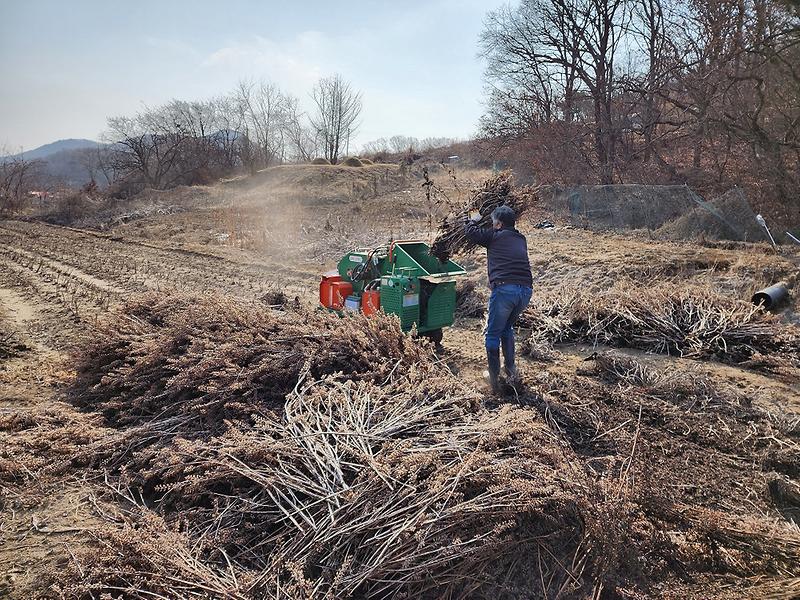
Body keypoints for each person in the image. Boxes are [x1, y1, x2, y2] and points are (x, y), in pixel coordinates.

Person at [464, 205, 533, 392]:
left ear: (499, 224)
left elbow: (471, 233)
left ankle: (493, 381)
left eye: (494, 222)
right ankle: (511, 371)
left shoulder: (494, 235)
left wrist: (473, 219)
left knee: (492, 333)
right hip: (525, 291)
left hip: (505, 290)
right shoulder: (521, 238)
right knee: (506, 328)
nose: (493, 224)